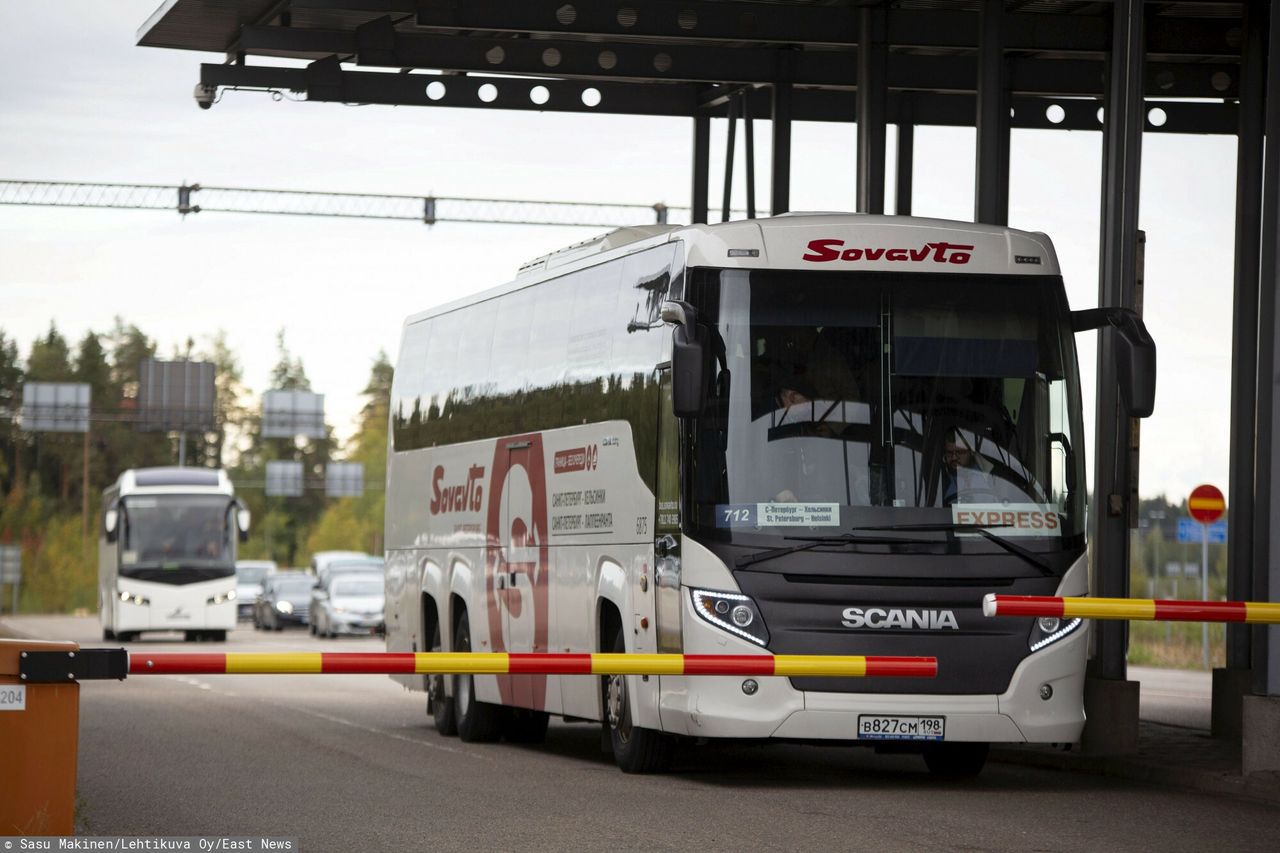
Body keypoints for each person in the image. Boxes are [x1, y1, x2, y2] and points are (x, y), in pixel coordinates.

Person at [940, 428, 996, 506]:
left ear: (971, 451)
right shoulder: (939, 477)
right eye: (949, 453)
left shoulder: (993, 477)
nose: (954, 458)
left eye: (960, 452)